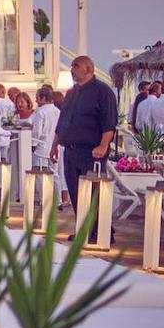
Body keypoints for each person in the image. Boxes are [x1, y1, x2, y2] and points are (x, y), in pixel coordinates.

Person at [51, 56, 118, 215]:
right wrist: (54, 145)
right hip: (70, 150)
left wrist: (103, 145)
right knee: (75, 191)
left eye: (76, 66)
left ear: (88, 69)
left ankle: (98, 231)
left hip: (91, 151)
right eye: (72, 66)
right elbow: (63, 122)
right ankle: (82, 228)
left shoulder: (103, 91)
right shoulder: (71, 93)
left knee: (93, 192)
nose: (72, 70)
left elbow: (109, 123)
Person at [30, 86, 59, 170]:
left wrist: (33, 145)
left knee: (40, 173)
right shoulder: (57, 111)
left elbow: (37, 132)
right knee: (54, 175)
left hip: (41, 148)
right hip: (54, 147)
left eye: (37, 98)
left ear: (43, 98)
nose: (36, 101)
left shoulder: (41, 111)